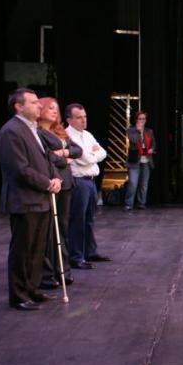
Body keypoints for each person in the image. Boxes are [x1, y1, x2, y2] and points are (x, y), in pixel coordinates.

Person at [0, 88, 61, 310]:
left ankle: (32, 289)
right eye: (34, 103)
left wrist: (55, 178)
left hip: (40, 199)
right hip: (24, 200)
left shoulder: (34, 130)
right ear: (19, 106)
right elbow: (20, 169)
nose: (39, 106)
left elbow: (47, 159)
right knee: (22, 249)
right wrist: (46, 182)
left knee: (37, 249)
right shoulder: (11, 131)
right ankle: (19, 295)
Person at [37, 97, 81, 289]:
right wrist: (65, 156)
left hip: (65, 184)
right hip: (52, 182)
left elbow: (77, 151)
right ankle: (49, 272)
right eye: (50, 108)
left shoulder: (59, 131)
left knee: (62, 229)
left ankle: (62, 268)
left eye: (56, 108)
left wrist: (62, 152)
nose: (54, 111)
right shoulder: (38, 132)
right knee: (49, 231)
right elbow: (47, 158)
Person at [65, 102, 111, 269]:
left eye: (84, 117)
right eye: (79, 117)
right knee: (77, 219)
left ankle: (89, 251)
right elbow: (85, 158)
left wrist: (92, 154)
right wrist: (93, 154)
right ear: (69, 120)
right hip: (79, 182)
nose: (83, 120)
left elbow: (103, 153)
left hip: (91, 180)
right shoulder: (67, 136)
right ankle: (76, 256)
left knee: (89, 219)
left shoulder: (88, 135)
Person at [124, 111, 155, 211]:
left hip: (146, 160)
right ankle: (128, 204)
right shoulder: (131, 130)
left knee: (144, 184)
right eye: (140, 119)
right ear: (136, 120)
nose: (141, 121)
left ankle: (141, 203)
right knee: (133, 183)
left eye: (143, 119)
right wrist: (138, 131)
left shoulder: (149, 131)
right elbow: (133, 141)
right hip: (135, 160)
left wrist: (152, 149)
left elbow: (153, 144)